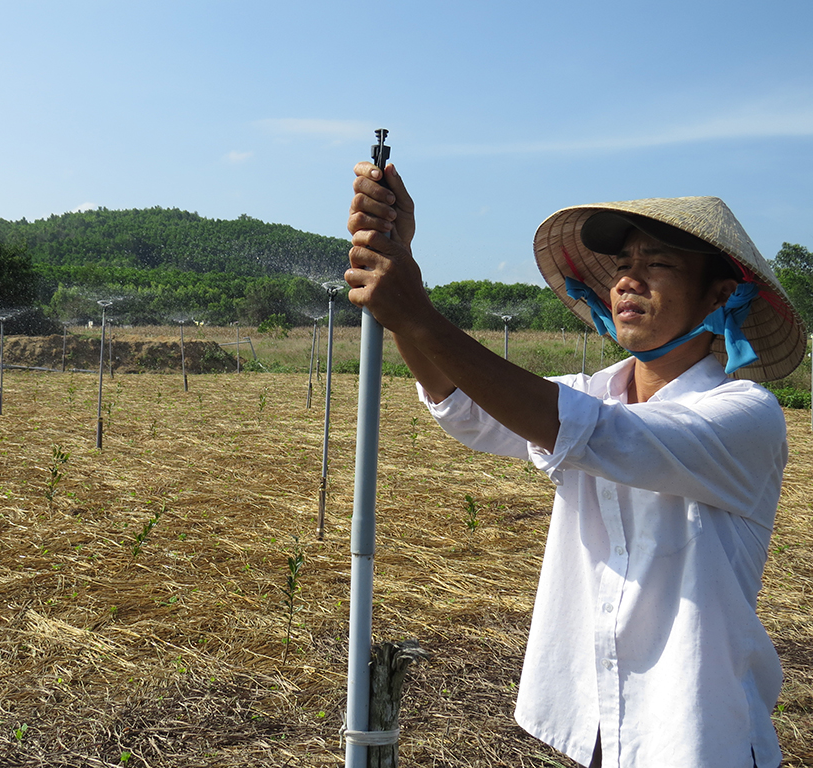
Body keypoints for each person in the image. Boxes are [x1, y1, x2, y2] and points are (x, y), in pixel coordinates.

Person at [345, 161, 807, 768]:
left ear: (720, 295)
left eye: (658, 265)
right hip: (595, 734)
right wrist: (399, 268)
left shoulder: (744, 417)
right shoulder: (590, 395)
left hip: (697, 733)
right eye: (621, 267)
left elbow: (600, 435)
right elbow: (463, 407)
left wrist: (418, 313)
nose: (627, 283)